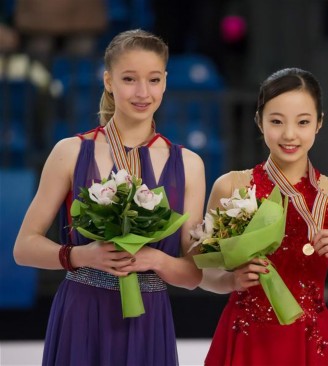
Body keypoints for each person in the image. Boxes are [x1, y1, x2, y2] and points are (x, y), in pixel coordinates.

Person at [13, 29, 205, 366]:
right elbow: (24, 247)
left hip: (149, 321)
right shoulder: (70, 152)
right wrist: (82, 255)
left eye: (154, 79)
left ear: (165, 82)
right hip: (82, 314)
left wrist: (155, 260)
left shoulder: (189, 164)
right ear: (108, 80)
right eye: (129, 79)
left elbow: (192, 275)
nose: (143, 92)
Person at [199, 67, 328, 365]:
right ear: (259, 121)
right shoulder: (231, 186)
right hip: (245, 337)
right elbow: (201, 270)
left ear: (319, 123)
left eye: (303, 122)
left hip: (311, 341)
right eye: (276, 121)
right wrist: (229, 281)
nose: (289, 135)